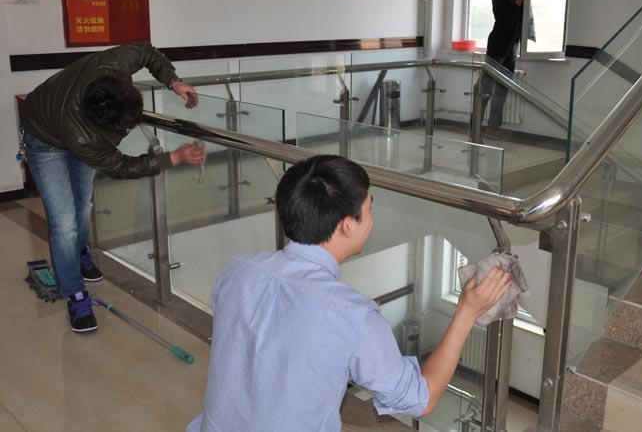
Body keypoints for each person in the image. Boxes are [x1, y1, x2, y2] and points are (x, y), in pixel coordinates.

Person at [187, 155, 512, 432]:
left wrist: (352, 328)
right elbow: (420, 399)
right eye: (369, 209)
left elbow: (267, 340)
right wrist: (466, 312)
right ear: (347, 225)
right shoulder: (352, 316)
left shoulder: (238, 269)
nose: (372, 220)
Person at [20, 41, 206, 333]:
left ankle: (78, 251)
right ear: (102, 125)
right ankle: (75, 293)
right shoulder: (84, 137)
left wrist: (173, 81)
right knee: (64, 221)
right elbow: (121, 167)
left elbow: (146, 51)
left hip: (66, 119)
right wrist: (173, 158)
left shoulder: (113, 65)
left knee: (83, 205)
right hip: (44, 139)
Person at [482, 0, 570, 135]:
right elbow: (502, 19)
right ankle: (475, 129)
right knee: (485, 91)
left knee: (502, 89)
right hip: (498, 46)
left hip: (512, 47)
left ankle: (493, 128)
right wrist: (519, 2)